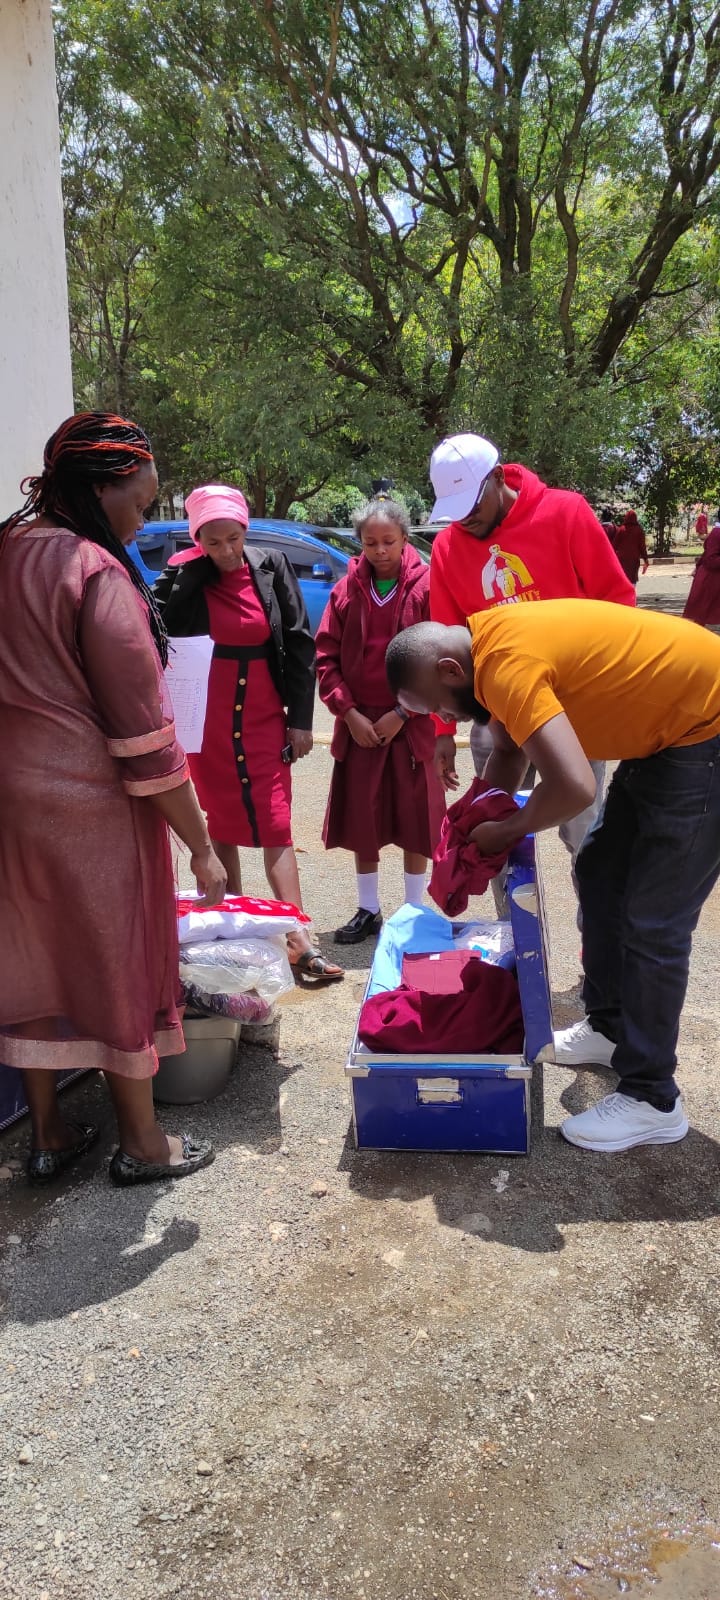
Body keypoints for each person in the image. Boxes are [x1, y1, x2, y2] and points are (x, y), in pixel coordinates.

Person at [385, 600, 720, 1153]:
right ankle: (611, 1029)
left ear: (450, 671)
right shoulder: (485, 647)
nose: (455, 718)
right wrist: (482, 810)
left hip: (705, 734)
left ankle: (653, 1099)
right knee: (600, 872)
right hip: (668, 733)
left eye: (445, 707)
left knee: (654, 924)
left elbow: (573, 788)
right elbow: (512, 749)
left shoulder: (506, 664)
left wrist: (506, 829)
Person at [0, 412, 228, 1185]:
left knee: (34, 954)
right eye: (140, 501)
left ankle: (49, 1132)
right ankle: (143, 1141)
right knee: (120, 959)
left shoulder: (8, 548)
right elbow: (146, 737)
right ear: (100, 488)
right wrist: (199, 843)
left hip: (12, 801)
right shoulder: (92, 570)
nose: (144, 518)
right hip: (90, 805)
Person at [154, 484, 343, 981]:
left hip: (263, 709)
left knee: (276, 820)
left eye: (233, 537)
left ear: (245, 530)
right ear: (197, 540)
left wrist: (300, 719)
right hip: (210, 716)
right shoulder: (186, 574)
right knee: (220, 822)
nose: (225, 550)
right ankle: (233, 926)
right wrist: (186, 573)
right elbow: (160, 632)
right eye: (212, 541)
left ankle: (299, 937)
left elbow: (300, 642)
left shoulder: (271, 565)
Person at [427, 433, 634, 878]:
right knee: (493, 828)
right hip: (498, 714)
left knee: (584, 831)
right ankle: (513, 939)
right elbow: (448, 646)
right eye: (455, 511)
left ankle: (597, 942)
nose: (464, 520)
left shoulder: (565, 511)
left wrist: (612, 692)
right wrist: (442, 728)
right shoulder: (447, 547)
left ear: (498, 477)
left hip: (574, 706)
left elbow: (616, 601)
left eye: (472, 505)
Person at [315, 498, 445, 943]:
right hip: (360, 725)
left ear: (406, 538)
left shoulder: (428, 586)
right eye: (370, 542)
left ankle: (413, 910)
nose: (380, 550)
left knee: (415, 818)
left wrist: (404, 712)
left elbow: (442, 659)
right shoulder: (346, 589)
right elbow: (326, 657)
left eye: (389, 541)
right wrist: (347, 713)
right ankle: (368, 909)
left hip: (409, 722)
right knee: (363, 817)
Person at [683, 512, 720, 627]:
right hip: (710, 580)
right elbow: (711, 559)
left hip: (711, 578)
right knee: (700, 617)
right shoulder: (717, 533)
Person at [610, 509, 649, 585]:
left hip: (621, 558)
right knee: (632, 577)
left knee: (623, 577)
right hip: (634, 558)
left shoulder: (621, 529)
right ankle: (631, 593)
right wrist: (646, 560)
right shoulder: (639, 530)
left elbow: (614, 546)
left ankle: (623, 594)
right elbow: (642, 547)